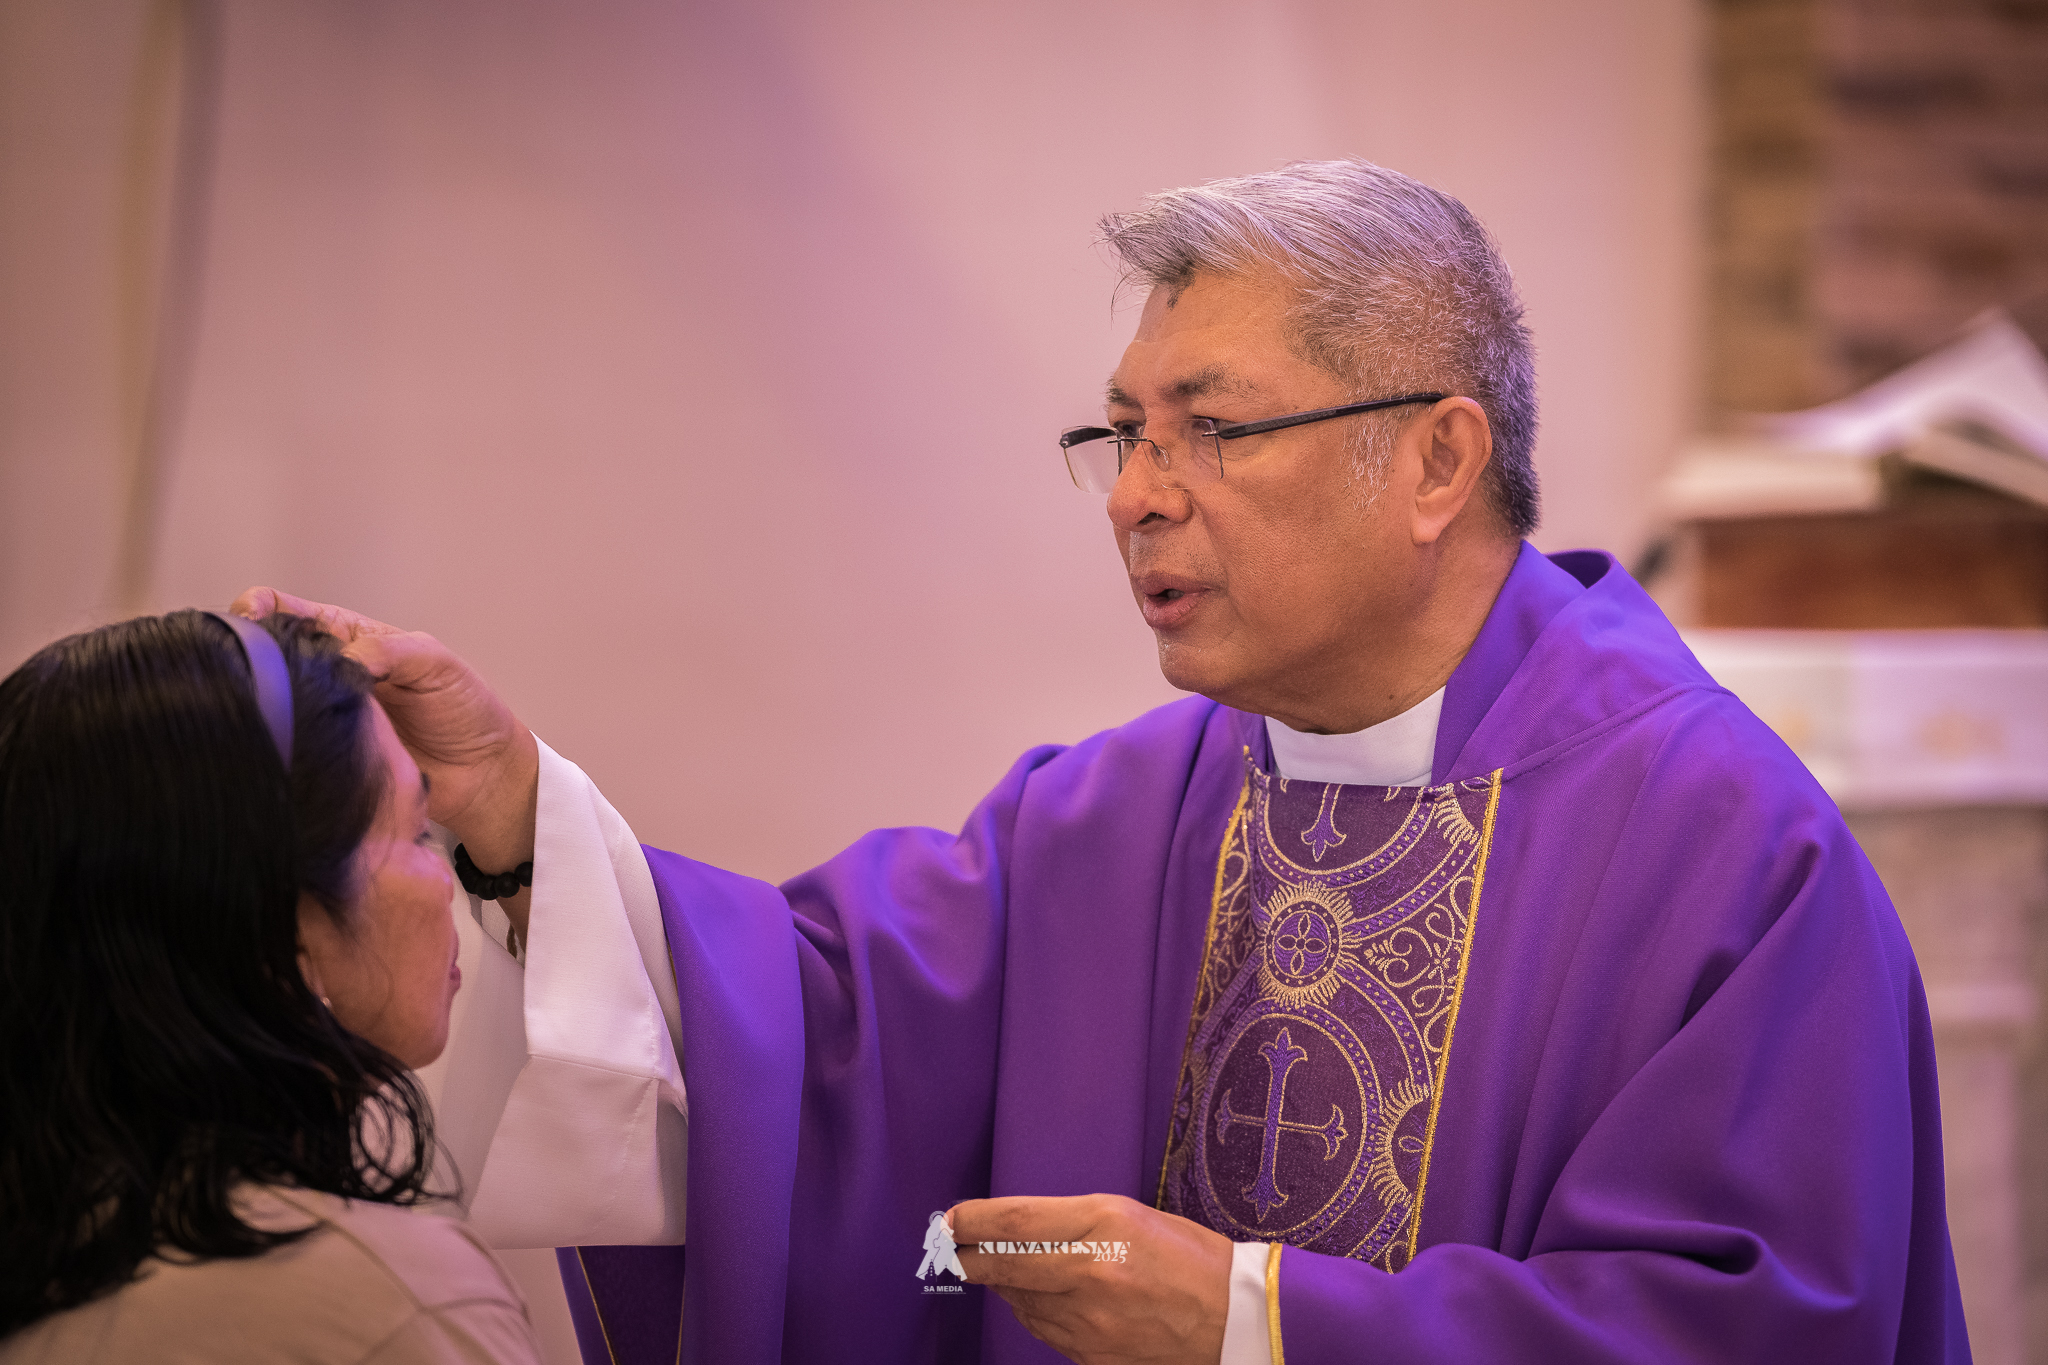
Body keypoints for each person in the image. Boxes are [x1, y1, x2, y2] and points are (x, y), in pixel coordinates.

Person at [239, 159, 1968, 1365]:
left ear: (1435, 459)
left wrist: (1256, 1324)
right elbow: (817, 1034)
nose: (1137, 490)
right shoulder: (1127, 812)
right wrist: (519, 812)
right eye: (1120, 435)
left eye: (1209, 428)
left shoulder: (1718, 848)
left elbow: (1754, 1328)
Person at [0, 611, 543, 1365]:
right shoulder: (390, 1304)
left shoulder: (49, 1252)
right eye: (417, 833)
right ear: (284, 928)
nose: (449, 881)